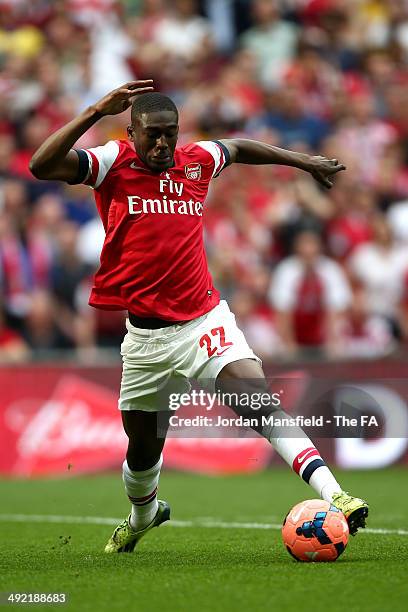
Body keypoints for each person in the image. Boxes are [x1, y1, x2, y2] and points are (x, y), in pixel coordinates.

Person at [29, 80, 368, 553]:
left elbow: (240, 147)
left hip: (203, 321)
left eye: (171, 133)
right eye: (153, 135)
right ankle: (142, 516)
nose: (164, 143)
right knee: (143, 452)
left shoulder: (197, 160)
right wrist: (92, 111)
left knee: (256, 400)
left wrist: (301, 161)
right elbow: (40, 165)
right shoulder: (111, 162)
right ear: (132, 132)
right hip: (146, 341)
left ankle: (338, 497)